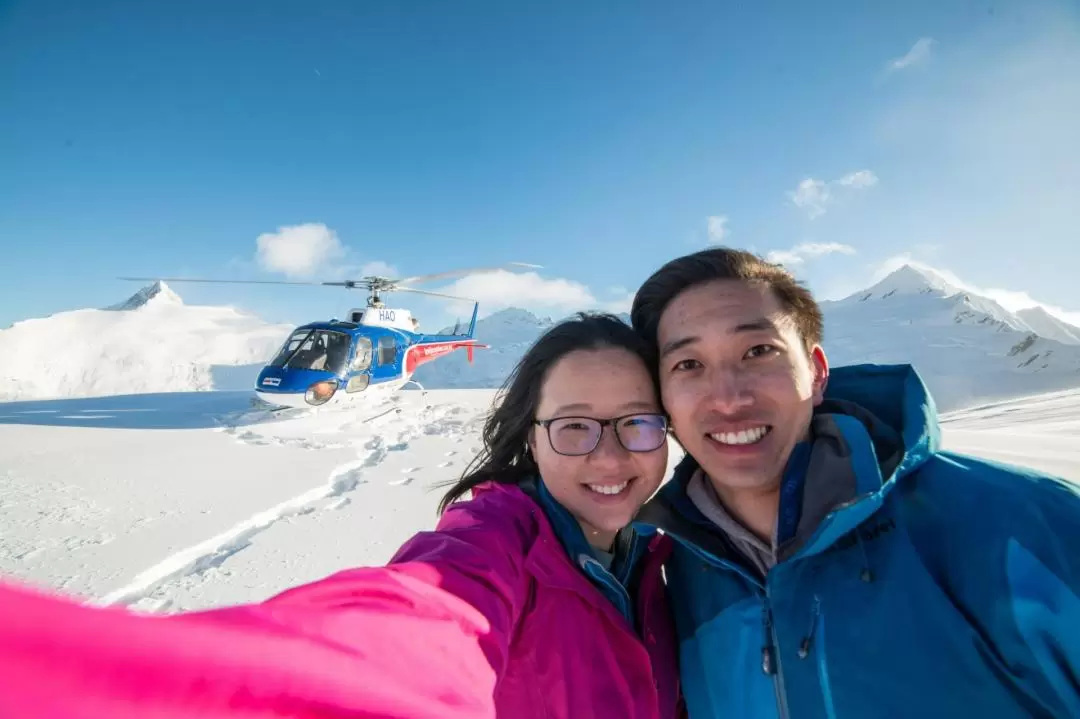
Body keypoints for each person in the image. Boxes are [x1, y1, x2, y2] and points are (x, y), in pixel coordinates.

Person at [0, 313, 682, 719]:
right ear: (529, 437)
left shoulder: (676, 555)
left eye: (636, 424)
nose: (609, 456)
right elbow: (423, 616)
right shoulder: (494, 542)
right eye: (574, 428)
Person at [628, 247, 1080, 718]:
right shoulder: (668, 578)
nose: (728, 398)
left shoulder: (1025, 526)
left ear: (818, 372)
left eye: (759, 351)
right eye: (688, 365)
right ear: (662, 402)